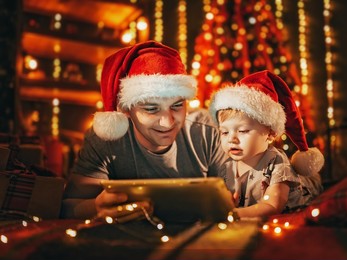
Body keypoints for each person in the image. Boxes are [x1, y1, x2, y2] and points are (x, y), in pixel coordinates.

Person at [61, 41, 227, 221]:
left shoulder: (207, 130)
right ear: (126, 109)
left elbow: (237, 199)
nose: (167, 122)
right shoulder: (105, 137)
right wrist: (96, 207)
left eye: (177, 106)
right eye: (151, 109)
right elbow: (67, 207)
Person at [209, 70, 325, 219]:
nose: (232, 139)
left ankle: (315, 180)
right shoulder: (227, 166)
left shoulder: (276, 164)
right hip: (247, 217)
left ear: (271, 134)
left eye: (243, 131)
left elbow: (271, 206)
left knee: (312, 184)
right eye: (224, 132)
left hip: (295, 207)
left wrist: (234, 214)